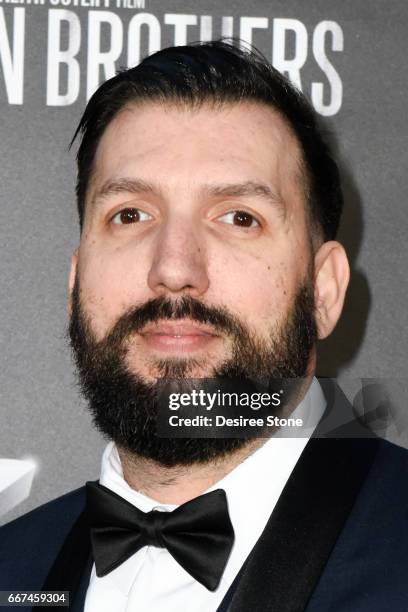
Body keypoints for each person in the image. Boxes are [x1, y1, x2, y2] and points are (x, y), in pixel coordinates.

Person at [1, 40, 407, 612]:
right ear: (75, 284)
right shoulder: (11, 567)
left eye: (239, 217)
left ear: (324, 289)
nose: (173, 269)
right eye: (130, 215)